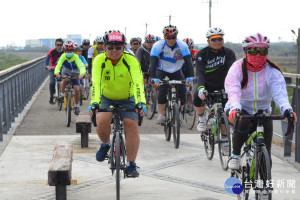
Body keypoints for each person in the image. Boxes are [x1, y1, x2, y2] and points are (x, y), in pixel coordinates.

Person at [225, 33, 297, 170]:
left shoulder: (273, 71)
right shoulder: (237, 68)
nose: (258, 55)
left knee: (266, 156)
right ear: (245, 51)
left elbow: (280, 94)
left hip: (263, 111)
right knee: (243, 121)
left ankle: (264, 187)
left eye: (263, 51)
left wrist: (287, 110)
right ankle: (235, 155)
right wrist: (235, 108)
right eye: (253, 51)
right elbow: (233, 90)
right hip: (240, 108)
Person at [89, 30, 146, 177]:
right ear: (104, 47)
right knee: (101, 120)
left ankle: (131, 164)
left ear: (124, 47)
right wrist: (94, 102)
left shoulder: (131, 59)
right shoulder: (99, 60)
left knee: (131, 124)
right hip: (106, 96)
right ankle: (106, 144)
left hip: (128, 97)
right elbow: (96, 82)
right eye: (110, 48)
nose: (114, 51)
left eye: (118, 47)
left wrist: (141, 102)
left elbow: (138, 82)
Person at [149, 25, 194, 124]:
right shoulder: (157, 46)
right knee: (162, 90)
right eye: (168, 37)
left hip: (177, 71)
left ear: (176, 37)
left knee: (183, 91)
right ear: (164, 37)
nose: (171, 40)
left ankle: (180, 114)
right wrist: (154, 78)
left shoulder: (182, 46)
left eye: (173, 37)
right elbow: (152, 64)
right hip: (162, 70)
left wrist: (190, 77)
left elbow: (189, 62)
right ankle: (161, 114)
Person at [193, 27, 236, 132]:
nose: (217, 42)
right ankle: (202, 118)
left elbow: (233, 72)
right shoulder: (202, 54)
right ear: (208, 41)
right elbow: (200, 73)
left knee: (226, 116)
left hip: (223, 86)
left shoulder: (229, 53)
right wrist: (201, 88)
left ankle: (225, 141)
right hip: (207, 84)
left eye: (219, 39)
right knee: (196, 95)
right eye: (213, 39)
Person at [54, 40, 86, 115]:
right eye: (67, 51)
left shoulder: (76, 57)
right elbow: (58, 66)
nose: (69, 52)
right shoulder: (63, 56)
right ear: (65, 51)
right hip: (66, 71)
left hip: (75, 73)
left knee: (77, 89)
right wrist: (57, 73)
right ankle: (62, 95)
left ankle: (76, 106)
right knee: (65, 80)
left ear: (73, 51)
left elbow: (81, 66)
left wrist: (82, 74)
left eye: (71, 50)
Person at [45, 38, 64, 104]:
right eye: (58, 45)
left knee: (65, 81)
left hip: (62, 69)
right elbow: (47, 59)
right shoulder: (51, 51)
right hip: (53, 69)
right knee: (52, 83)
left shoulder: (64, 51)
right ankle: (51, 97)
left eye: (60, 45)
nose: (59, 46)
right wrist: (47, 66)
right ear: (55, 45)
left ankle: (63, 95)